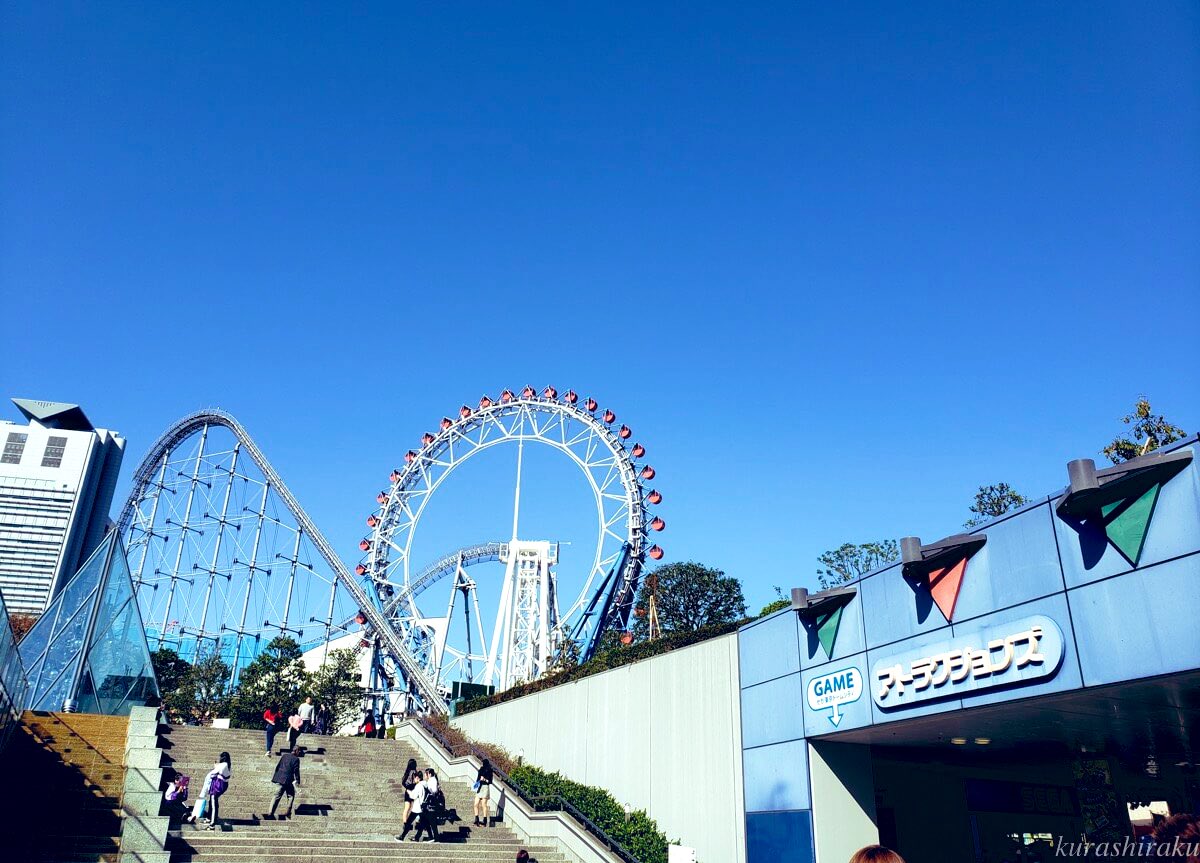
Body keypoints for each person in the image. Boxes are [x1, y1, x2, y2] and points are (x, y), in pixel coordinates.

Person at [185, 752, 231, 831]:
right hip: (223, 785)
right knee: (212, 801)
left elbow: (213, 773)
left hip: (218, 785)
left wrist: (215, 767)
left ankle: (212, 824)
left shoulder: (222, 765)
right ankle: (209, 818)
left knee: (214, 803)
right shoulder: (228, 765)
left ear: (222, 758)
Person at [266, 746, 302, 819]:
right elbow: (296, 771)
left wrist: (276, 777)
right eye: (299, 751)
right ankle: (288, 812)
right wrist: (297, 781)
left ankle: (270, 813)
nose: (299, 753)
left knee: (276, 796)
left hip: (280, 779)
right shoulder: (296, 759)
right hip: (288, 780)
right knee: (291, 795)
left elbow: (278, 766)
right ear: (296, 751)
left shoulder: (284, 755)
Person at [397, 768, 428, 842]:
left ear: (418, 778)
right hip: (423, 808)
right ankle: (417, 837)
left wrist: (408, 791)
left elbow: (413, 796)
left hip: (417, 808)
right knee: (422, 824)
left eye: (415, 778)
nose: (414, 780)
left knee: (408, 822)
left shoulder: (419, 786)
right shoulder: (425, 785)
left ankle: (402, 837)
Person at [417, 768, 441, 842]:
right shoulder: (432, 780)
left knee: (429, 822)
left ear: (429, 774)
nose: (424, 775)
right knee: (425, 821)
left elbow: (433, 791)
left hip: (431, 805)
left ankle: (433, 837)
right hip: (430, 805)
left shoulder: (432, 780)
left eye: (425, 774)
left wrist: (426, 788)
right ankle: (420, 836)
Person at [474, 757, 494, 827]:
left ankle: (485, 820)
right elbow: (478, 778)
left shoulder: (490, 770)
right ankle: (476, 819)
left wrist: (484, 779)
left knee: (483, 804)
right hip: (480, 787)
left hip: (485, 787)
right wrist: (477, 783)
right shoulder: (481, 769)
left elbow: (490, 781)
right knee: (476, 804)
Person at [400, 758, 419, 826]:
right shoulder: (414, 772)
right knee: (414, 807)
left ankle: (405, 823)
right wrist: (413, 786)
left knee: (406, 808)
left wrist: (407, 788)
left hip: (407, 791)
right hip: (413, 791)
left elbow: (403, 782)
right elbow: (416, 782)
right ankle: (416, 822)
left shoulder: (407, 772)